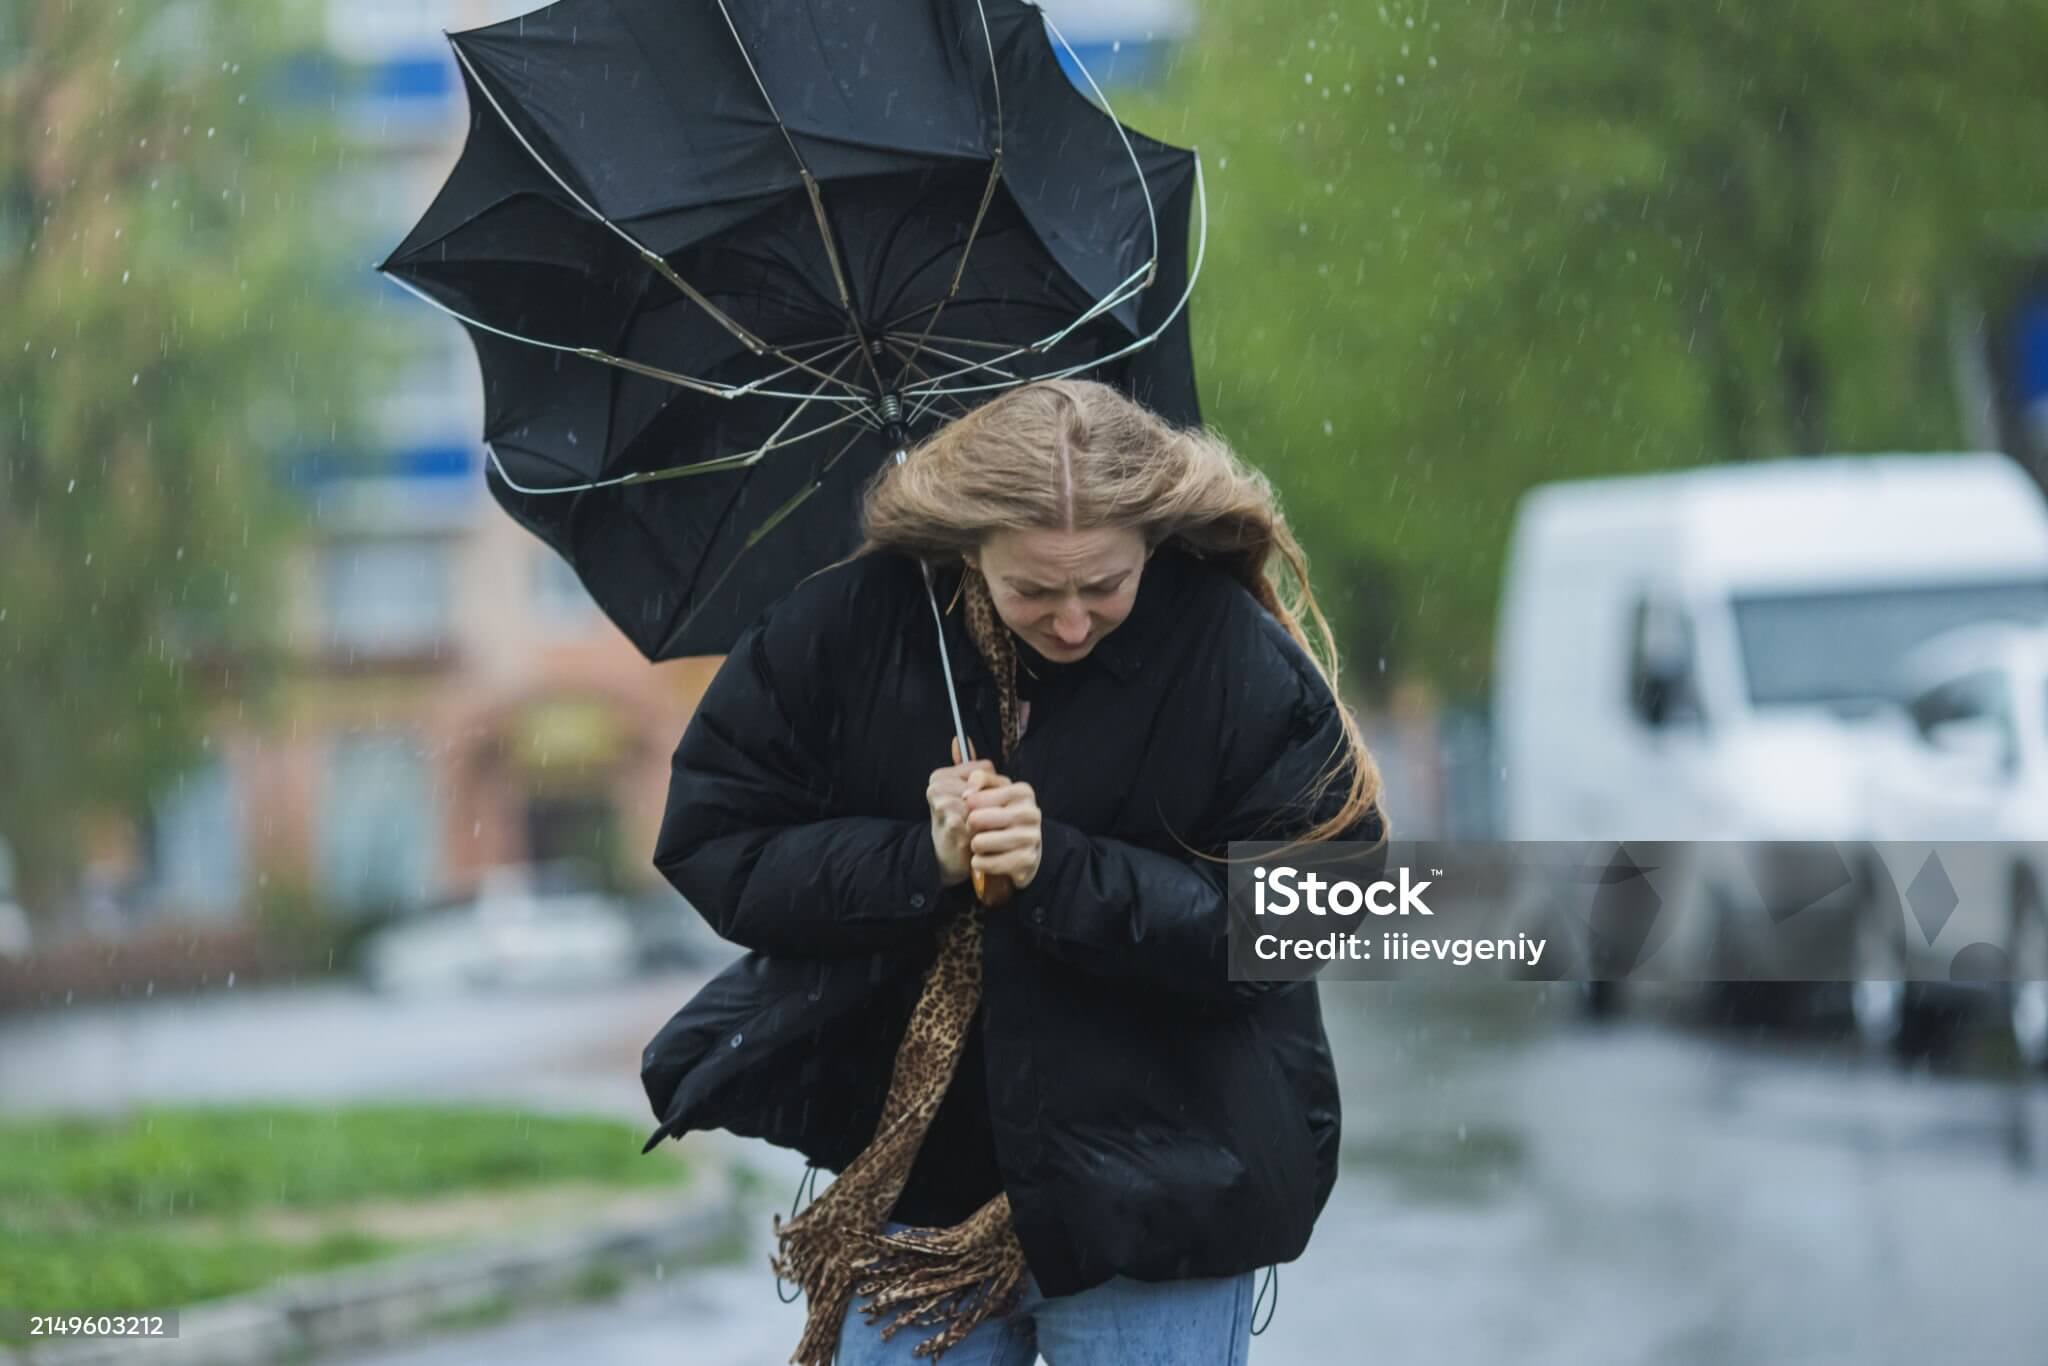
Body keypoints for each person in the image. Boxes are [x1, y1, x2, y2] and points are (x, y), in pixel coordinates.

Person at [650, 378, 1388, 1365]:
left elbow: (1309, 908)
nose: (1073, 621)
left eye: (1104, 585)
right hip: (916, 1198)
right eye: (1033, 589)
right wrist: (922, 860)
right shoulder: (844, 631)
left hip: (1160, 1198)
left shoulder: (1226, 653)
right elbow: (718, 843)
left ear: (1152, 540)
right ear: (966, 547)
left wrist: (1065, 871)